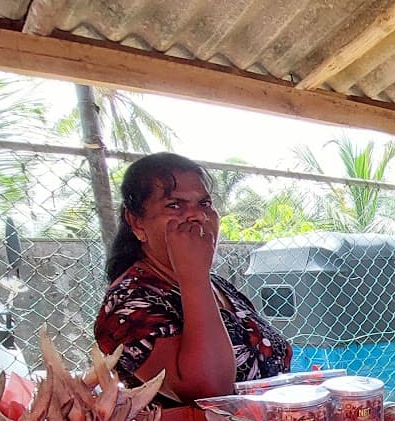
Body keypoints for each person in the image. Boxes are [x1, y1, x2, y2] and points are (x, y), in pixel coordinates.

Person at [96, 152, 291, 401]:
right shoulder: (128, 304)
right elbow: (210, 392)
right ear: (136, 223)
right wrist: (194, 276)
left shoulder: (218, 287)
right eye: (174, 205)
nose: (197, 216)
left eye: (204, 204)